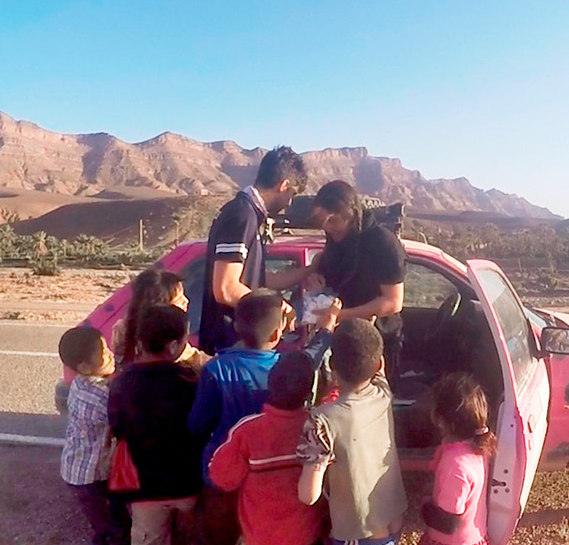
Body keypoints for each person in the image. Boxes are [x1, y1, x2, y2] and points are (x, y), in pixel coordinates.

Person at [189, 289, 340, 545]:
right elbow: (310, 358)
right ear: (276, 335)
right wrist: (326, 329)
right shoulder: (284, 369)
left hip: (223, 481)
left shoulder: (216, 369)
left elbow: (198, 424)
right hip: (270, 481)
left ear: (236, 326)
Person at [297, 318, 407, 545]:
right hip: (393, 521)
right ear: (379, 363)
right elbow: (378, 371)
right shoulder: (384, 393)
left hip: (359, 539)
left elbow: (308, 495)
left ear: (332, 366)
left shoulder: (322, 421)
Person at [208, 351, 331, 545]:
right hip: (307, 538)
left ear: (270, 385)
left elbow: (222, 478)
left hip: (261, 542)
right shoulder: (317, 427)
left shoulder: (246, 431)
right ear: (309, 391)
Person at [108, 306, 204, 545]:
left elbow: (117, 427)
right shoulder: (190, 382)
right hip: (187, 484)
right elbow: (202, 426)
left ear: (139, 342)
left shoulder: (122, 383)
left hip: (144, 487)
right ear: (174, 346)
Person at [199, 145, 312, 354]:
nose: (289, 203)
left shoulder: (250, 215)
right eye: (292, 194)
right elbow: (225, 289)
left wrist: (310, 270)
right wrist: (276, 308)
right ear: (284, 185)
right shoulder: (242, 216)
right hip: (230, 346)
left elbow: (258, 280)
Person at [307, 180, 405, 385]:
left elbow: (392, 302)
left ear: (351, 214)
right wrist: (315, 277)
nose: (328, 228)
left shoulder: (382, 243)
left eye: (333, 221)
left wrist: (339, 315)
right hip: (338, 341)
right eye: (323, 222)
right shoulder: (336, 239)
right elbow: (333, 277)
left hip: (374, 344)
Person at [58, 326, 131, 545]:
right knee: (117, 528)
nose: (110, 354)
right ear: (84, 367)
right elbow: (123, 423)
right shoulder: (99, 397)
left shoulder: (81, 384)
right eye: (103, 353)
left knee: (102, 525)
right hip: (90, 477)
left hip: (78, 470)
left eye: (107, 348)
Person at [414, 374, 494, 545]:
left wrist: (425, 506)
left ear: (441, 420)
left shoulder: (456, 465)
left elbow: (449, 523)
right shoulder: (476, 446)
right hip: (471, 540)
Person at [112, 268, 210, 370]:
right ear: (161, 308)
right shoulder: (171, 339)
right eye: (179, 300)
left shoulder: (122, 329)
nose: (186, 301)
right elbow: (198, 361)